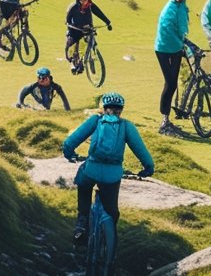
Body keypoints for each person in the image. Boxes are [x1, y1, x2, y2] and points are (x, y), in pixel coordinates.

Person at [62, 92, 154, 246]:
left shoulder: (96, 120)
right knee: (112, 210)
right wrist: (148, 168)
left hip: (91, 169)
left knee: (84, 188)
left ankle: (82, 223)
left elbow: (71, 141)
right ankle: (108, 241)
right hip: (113, 175)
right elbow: (141, 150)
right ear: (121, 110)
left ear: (103, 108)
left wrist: (69, 153)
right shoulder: (126, 126)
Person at [154, 0, 191, 136]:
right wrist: (180, 44)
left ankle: (167, 118)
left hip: (176, 48)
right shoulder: (171, 7)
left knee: (173, 84)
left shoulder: (182, 6)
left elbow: (182, 28)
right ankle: (164, 121)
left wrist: (184, 44)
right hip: (164, 49)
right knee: (170, 84)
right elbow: (166, 28)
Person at [65, 0, 112, 75]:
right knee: (69, 46)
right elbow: (67, 20)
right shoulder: (73, 7)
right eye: (82, 0)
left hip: (88, 29)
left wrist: (108, 22)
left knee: (85, 44)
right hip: (75, 30)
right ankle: (72, 63)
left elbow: (99, 13)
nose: (84, 2)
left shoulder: (90, 5)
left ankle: (83, 60)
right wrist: (72, 26)